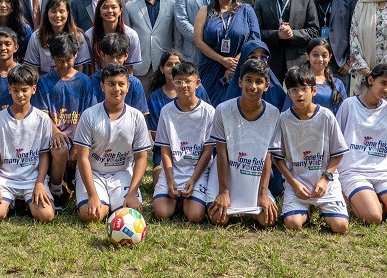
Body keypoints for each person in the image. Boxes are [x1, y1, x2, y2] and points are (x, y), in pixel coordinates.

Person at [274, 65, 350, 233]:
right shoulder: (284, 119)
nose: (299, 94)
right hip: (298, 183)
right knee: (292, 224)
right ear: (289, 93)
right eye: (294, 90)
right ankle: (305, 210)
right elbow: (278, 158)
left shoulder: (326, 116)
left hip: (325, 183)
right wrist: (293, 183)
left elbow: (338, 153)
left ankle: (324, 210)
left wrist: (325, 178)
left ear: (313, 90)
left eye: (304, 89)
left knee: (341, 227)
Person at [336, 64, 387, 226]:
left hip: (383, 173)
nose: (386, 90)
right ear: (371, 80)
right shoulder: (349, 105)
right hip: (353, 172)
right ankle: (364, 201)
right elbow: (335, 143)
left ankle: (375, 198)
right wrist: (336, 182)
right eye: (383, 83)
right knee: (373, 218)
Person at [74, 63, 151, 223]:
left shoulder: (136, 117)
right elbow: (82, 158)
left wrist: (132, 193)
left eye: (121, 84)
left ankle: (114, 202)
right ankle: (104, 202)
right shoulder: (89, 116)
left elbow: (142, 158)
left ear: (128, 87)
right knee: (92, 216)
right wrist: (92, 195)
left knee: (130, 216)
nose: (116, 89)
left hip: (122, 172)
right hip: (94, 172)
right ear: (102, 86)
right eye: (111, 84)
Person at [208, 59, 280, 227]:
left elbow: (267, 156)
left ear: (267, 85)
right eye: (248, 80)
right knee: (219, 219)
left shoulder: (273, 113)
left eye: (259, 81)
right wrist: (223, 192)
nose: (253, 86)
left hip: (253, 178)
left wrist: (262, 195)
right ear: (240, 82)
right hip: (226, 177)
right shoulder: (223, 110)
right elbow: (221, 153)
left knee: (267, 221)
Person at [0, 65, 56, 225]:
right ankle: (11, 203)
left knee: (46, 215)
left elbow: (44, 154)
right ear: (9, 89)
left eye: (24, 90)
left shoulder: (42, 119)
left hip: (32, 179)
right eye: (16, 90)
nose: (20, 94)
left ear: (33, 89)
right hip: (6, 179)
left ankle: (25, 202)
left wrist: (40, 183)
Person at [33, 33, 94, 210]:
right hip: (54, 134)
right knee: (59, 149)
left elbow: (88, 115)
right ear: (52, 57)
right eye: (60, 60)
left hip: (80, 134)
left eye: (68, 59)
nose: (65, 64)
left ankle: (77, 183)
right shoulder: (45, 82)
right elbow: (43, 114)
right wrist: (56, 132)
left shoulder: (85, 82)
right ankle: (56, 189)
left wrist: (78, 144)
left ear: (76, 55)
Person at [152, 61, 215, 223]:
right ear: (173, 83)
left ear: (197, 83)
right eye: (178, 81)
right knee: (161, 213)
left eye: (188, 81)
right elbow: (165, 150)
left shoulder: (208, 112)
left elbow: (208, 151)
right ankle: (178, 198)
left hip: (197, 171)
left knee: (194, 216)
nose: (183, 85)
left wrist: (193, 180)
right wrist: (170, 178)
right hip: (174, 169)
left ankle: (186, 200)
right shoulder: (166, 111)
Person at [194, 0, 260, 105]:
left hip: (239, 68)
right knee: (210, 108)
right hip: (211, 68)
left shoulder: (246, 10)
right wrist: (222, 60)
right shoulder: (205, 11)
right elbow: (199, 41)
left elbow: (254, 38)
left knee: (237, 108)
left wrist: (236, 61)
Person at [254, 0, 319, 82]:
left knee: (298, 99)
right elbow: (255, 33)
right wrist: (276, 35)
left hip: (299, 62)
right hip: (270, 61)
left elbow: (314, 31)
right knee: (271, 100)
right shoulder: (261, 2)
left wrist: (292, 34)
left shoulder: (307, 1)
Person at [305, 0, 358, 89]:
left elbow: (355, 31)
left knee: (338, 101)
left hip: (339, 63)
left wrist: (348, 62)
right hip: (312, 62)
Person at [124, 0, 178, 96]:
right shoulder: (130, 6)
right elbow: (126, 38)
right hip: (139, 66)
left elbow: (177, 36)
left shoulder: (172, 5)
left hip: (165, 65)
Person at [23, 0, 92, 74]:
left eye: (61, 11)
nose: (57, 15)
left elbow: (79, 68)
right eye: (53, 11)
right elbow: (33, 68)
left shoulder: (78, 36)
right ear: (47, 13)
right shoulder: (37, 36)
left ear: (68, 13)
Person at [284, 38, 347, 115]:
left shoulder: (338, 84)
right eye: (315, 55)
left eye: (324, 55)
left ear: (330, 57)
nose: (320, 59)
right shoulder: (298, 80)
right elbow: (288, 112)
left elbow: (344, 113)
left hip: (330, 125)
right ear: (307, 56)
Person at [89, 33, 149, 114]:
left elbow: (141, 115)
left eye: (118, 56)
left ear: (126, 56)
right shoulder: (92, 81)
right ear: (102, 55)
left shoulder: (135, 83)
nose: (114, 61)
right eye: (110, 56)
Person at [222, 39, 288, 110]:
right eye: (253, 57)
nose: (258, 61)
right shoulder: (233, 92)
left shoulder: (276, 90)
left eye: (263, 57)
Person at [85, 0, 141, 72]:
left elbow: (129, 68)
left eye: (114, 7)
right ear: (99, 11)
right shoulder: (89, 35)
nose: (110, 11)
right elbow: (90, 67)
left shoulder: (131, 35)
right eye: (105, 7)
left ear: (120, 11)